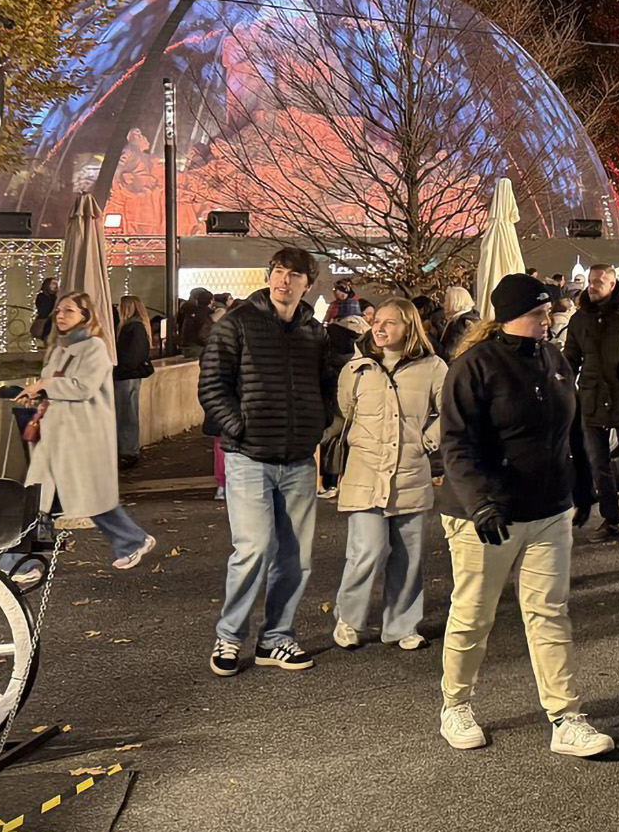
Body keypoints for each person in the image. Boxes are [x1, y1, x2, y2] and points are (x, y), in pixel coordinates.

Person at [436, 273, 611, 758]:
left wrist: (582, 485)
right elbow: (456, 443)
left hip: (548, 510)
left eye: (548, 311)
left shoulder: (554, 359)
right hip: (486, 515)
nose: (547, 320)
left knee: (550, 613)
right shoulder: (473, 367)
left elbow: (570, 427)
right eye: (537, 313)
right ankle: (455, 704)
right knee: (473, 614)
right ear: (510, 316)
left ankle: (565, 716)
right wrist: (480, 501)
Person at [199, 247, 336, 677]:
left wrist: (318, 424)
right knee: (254, 548)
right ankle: (230, 635)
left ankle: (276, 637)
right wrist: (238, 427)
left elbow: (326, 384)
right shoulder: (237, 323)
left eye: (294, 275)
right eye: (278, 272)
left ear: (307, 284)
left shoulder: (314, 331)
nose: (283, 280)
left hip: (298, 458)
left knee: (296, 557)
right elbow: (212, 384)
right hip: (248, 456)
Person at [331, 298, 445, 651]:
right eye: (377, 321)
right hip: (365, 472)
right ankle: (349, 620)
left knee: (409, 556)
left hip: (410, 472)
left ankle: (402, 626)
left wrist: (426, 442)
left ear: (409, 327)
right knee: (366, 550)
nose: (379, 328)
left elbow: (451, 410)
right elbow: (345, 410)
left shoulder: (433, 367)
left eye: (389, 322)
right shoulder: (356, 368)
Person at [17, 291, 156, 577]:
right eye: (59, 310)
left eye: (69, 310)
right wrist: (39, 395)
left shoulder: (94, 348)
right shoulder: (59, 348)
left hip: (80, 434)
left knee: (87, 498)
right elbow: (59, 385)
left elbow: (83, 387)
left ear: (85, 315)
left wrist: (44, 386)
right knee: (39, 497)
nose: (60, 315)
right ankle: (27, 561)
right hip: (57, 433)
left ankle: (132, 540)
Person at [564, 264, 619, 542]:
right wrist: (563, 384)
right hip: (592, 397)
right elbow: (571, 356)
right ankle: (611, 519)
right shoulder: (580, 319)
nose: (592, 286)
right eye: (591, 281)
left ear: (612, 284)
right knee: (597, 462)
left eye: (599, 281)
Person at [113, 294, 154, 470]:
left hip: (127, 375)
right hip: (128, 374)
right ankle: (128, 450)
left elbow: (133, 355)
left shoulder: (134, 327)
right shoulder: (136, 326)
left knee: (127, 414)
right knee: (127, 412)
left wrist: (121, 367)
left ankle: (129, 451)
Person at [439, 285, 479, 361]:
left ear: (455, 302)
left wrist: (428, 337)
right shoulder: (473, 317)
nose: (444, 304)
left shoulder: (461, 325)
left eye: (446, 301)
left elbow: (449, 354)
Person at [176, 287, 215, 357]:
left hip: (186, 346)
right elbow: (203, 336)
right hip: (196, 348)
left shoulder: (188, 312)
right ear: (211, 301)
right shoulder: (204, 314)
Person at [32, 276, 59, 343]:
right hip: (45, 323)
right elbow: (44, 311)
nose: (55, 286)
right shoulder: (42, 297)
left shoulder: (56, 297)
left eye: (56, 284)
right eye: (53, 283)